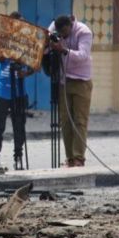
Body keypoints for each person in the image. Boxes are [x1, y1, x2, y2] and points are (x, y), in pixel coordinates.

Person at [0, 12, 34, 171]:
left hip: (20, 92)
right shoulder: (3, 39)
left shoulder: (28, 42)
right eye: (17, 24)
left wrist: (26, 72)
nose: (20, 27)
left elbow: (35, 65)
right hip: (2, 92)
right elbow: (1, 57)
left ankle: (18, 157)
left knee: (19, 127)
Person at [47, 15, 93, 167]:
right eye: (60, 33)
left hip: (82, 80)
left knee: (79, 120)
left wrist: (64, 50)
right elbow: (46, 39)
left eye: (65, 33)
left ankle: (79, 157)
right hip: (64, 80)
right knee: (66, 121)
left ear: (71, 25)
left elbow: (83, 55)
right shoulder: (55, 27)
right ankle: (70, 158)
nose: (63, 36)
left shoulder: (83, 32)